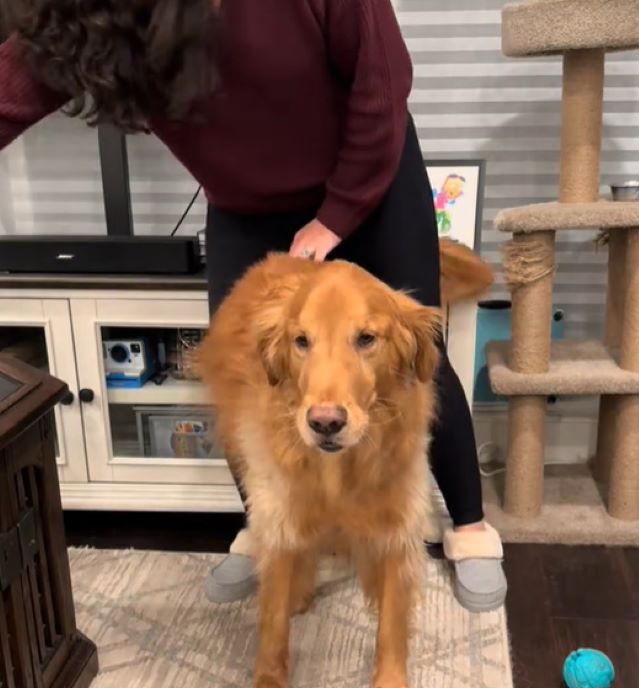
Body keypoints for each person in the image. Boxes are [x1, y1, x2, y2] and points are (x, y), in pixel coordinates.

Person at [0, 0, 506, 612]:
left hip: (370, 179)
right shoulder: (94, 14)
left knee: (416, 359)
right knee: (246, 376)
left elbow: (383, 83)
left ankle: (470, 527)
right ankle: (272, 532)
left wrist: (334, 218)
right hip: (244, 207)